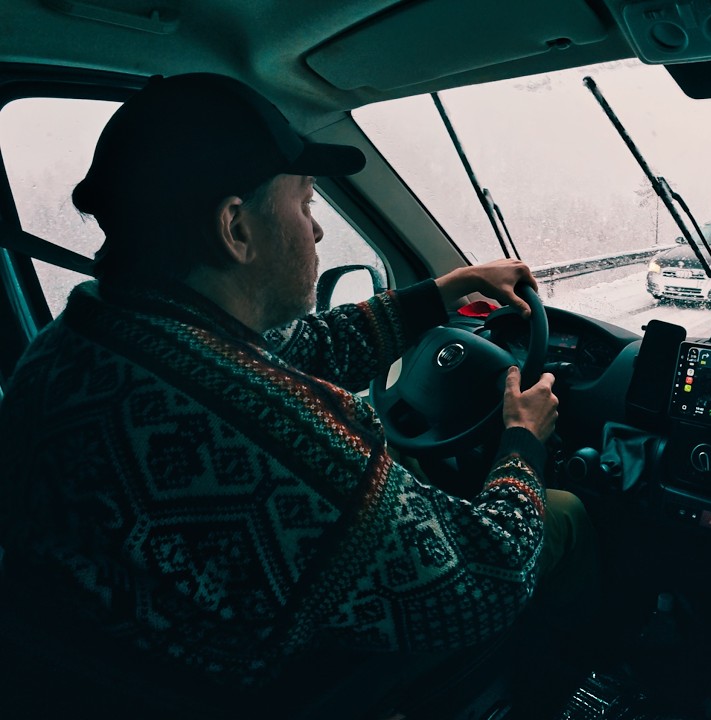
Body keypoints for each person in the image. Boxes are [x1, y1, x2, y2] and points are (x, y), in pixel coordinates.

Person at [0, 73, 596, 713]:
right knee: (565, 513)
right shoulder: (266, 435)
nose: (316, 232)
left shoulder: (86, 339)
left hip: (112, 670)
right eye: (307, 203)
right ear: (235, 228)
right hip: (275, 688)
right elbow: (485, 582)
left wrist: (437, 295)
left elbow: (294, 349)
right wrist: (523, 442)